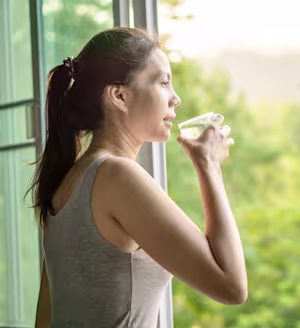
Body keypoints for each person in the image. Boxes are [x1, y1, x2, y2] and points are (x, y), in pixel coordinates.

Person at [29, 27, 247, 328]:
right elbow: (232, 286)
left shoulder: (68, 180)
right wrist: (209, 165)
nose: (176, 99)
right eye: (163, 83)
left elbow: (46, 316)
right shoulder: (117, 175)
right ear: (119, 95)